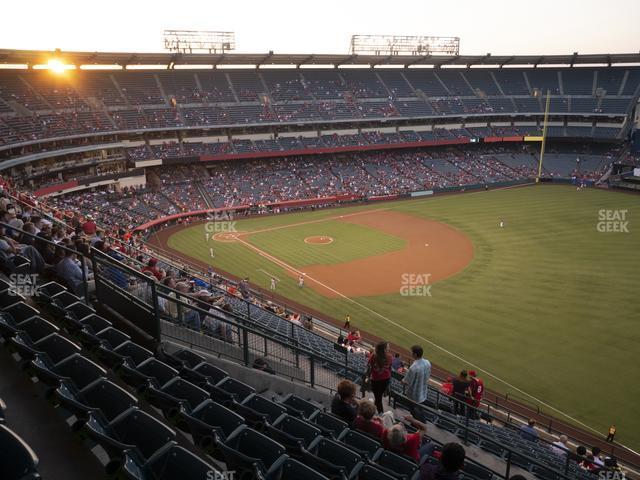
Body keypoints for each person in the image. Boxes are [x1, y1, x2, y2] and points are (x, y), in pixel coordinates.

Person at [366, 341, 392, 414]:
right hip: (385, 379)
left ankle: (374, 410)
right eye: (387, 347)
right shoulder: (389, 357)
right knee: (378, 397)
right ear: (384, 349)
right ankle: (380, 413)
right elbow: (389, 367)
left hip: (376, 379)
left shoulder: (373, 356)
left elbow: (369, 365)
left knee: (378, 397)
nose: (389, 348)